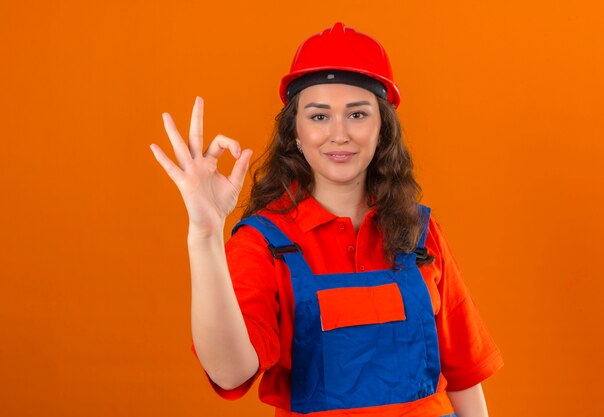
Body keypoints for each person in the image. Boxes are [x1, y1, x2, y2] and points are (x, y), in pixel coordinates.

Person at [150, 22, 503, 417]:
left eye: (357, 114)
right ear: (295, 132)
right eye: (319, 117)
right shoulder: (264, 243)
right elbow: (230, 373)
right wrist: (205, 235)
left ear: (382, 128)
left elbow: (464, 376)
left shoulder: (418, 233)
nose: (339, 134)